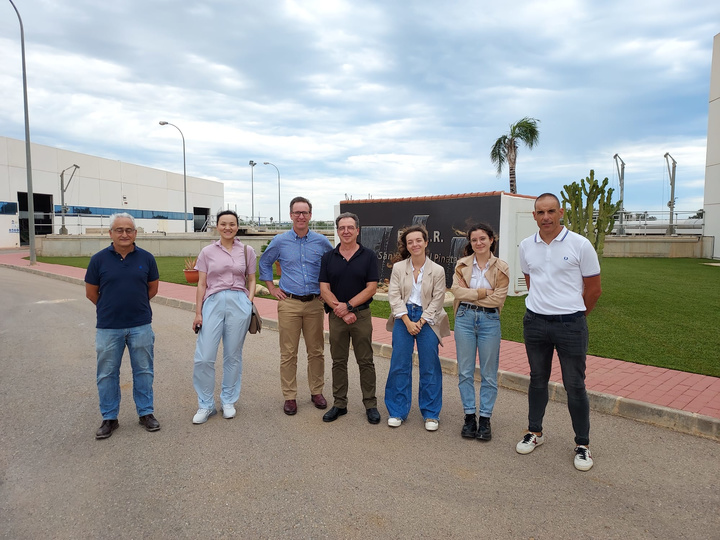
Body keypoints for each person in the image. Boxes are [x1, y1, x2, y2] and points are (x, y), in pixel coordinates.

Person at [516, 193, 602, 472]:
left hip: (571, 324)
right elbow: (532, 281)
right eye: (540, 212)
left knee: (574, 385)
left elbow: (594, 289)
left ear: (561, 212)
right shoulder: (527, 246)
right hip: (536, 322)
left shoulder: (580, 244)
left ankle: (583, 444)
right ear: (534, 216)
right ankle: (535, 432)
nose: (546, 217)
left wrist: (576, 314)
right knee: (537, 379)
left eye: (551, 211)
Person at [85, 212, 160, 439]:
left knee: (144, 371)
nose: (124, 234)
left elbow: (152, 289)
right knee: (107, 374)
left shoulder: (146, 258)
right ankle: (109, 418)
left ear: (135, 233)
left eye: (129, 230)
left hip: (140, 325)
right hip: (108, 327)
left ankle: (145, 413)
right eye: (119, 230)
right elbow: (91, 293)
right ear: (111, 233)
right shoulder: (98, 260)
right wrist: (111, 307)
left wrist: (134, 306)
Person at [259, 196, 333, 415]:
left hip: (314, 304)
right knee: (288, 352)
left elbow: (333, 264)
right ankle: (290, 396)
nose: (301, 216)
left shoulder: (321, 241)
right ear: (291, 215)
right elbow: (264, 262)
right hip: (289, 303)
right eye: (297, 212)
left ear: (310, 215)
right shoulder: (280, 241)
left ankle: (316, 391)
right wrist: (272, 288)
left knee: (316, 351)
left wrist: (326, 292)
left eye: (305, 212)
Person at [191, 210, 256, 424]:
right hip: (213, 302)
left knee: (233, 355)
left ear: (237, 226)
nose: (228, 227)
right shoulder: (207, 252)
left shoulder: (247, 251)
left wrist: (249, 301)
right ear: (217, 226)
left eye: (232, 224)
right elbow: (201, 283)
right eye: (223, 224)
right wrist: (198, 312)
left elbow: (252, 279)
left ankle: (228, 400)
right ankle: (206, 404)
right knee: (204, 356)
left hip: (239, 301)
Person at [385, 225, 450, 431]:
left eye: (418, 240)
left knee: (430, 366)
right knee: (399, 365)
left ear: (426, 242)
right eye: (410, 241)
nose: (415, 244)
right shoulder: (398, 268)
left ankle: (431, 413)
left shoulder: (437, 270)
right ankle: (397, 411)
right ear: (406, 245)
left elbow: (438, 300)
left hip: (428, 319)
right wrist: (406, 321)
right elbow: (394, 297)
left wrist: (421, 322)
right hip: (403, 317)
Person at [319, 212, 380, 424]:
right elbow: (323, 288)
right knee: (338, 361)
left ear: (357, 230)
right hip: (337, 317)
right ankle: (339, 404)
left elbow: (371, 288)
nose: (346, 231)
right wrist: (341, 310)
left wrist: (349, 307)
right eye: (342, 228)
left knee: (366, 361)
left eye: (350, 227)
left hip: (361, 315)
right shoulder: (328, 257)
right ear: (337, 231)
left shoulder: (369, 256)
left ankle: (370, 404)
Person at [451, 223, 509, 441]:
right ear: (470, 242)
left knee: (488, 373)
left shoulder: (501, 267)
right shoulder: (462, 265)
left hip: (489, 321)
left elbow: (499, 298)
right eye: (474, 240)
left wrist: (471, 293)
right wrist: (484, 292)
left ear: (491, 240)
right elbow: (456, 290)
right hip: (464, 319)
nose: (479, 243)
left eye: (483, 238)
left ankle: (485, 418)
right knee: (465, 371)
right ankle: (469, 417)